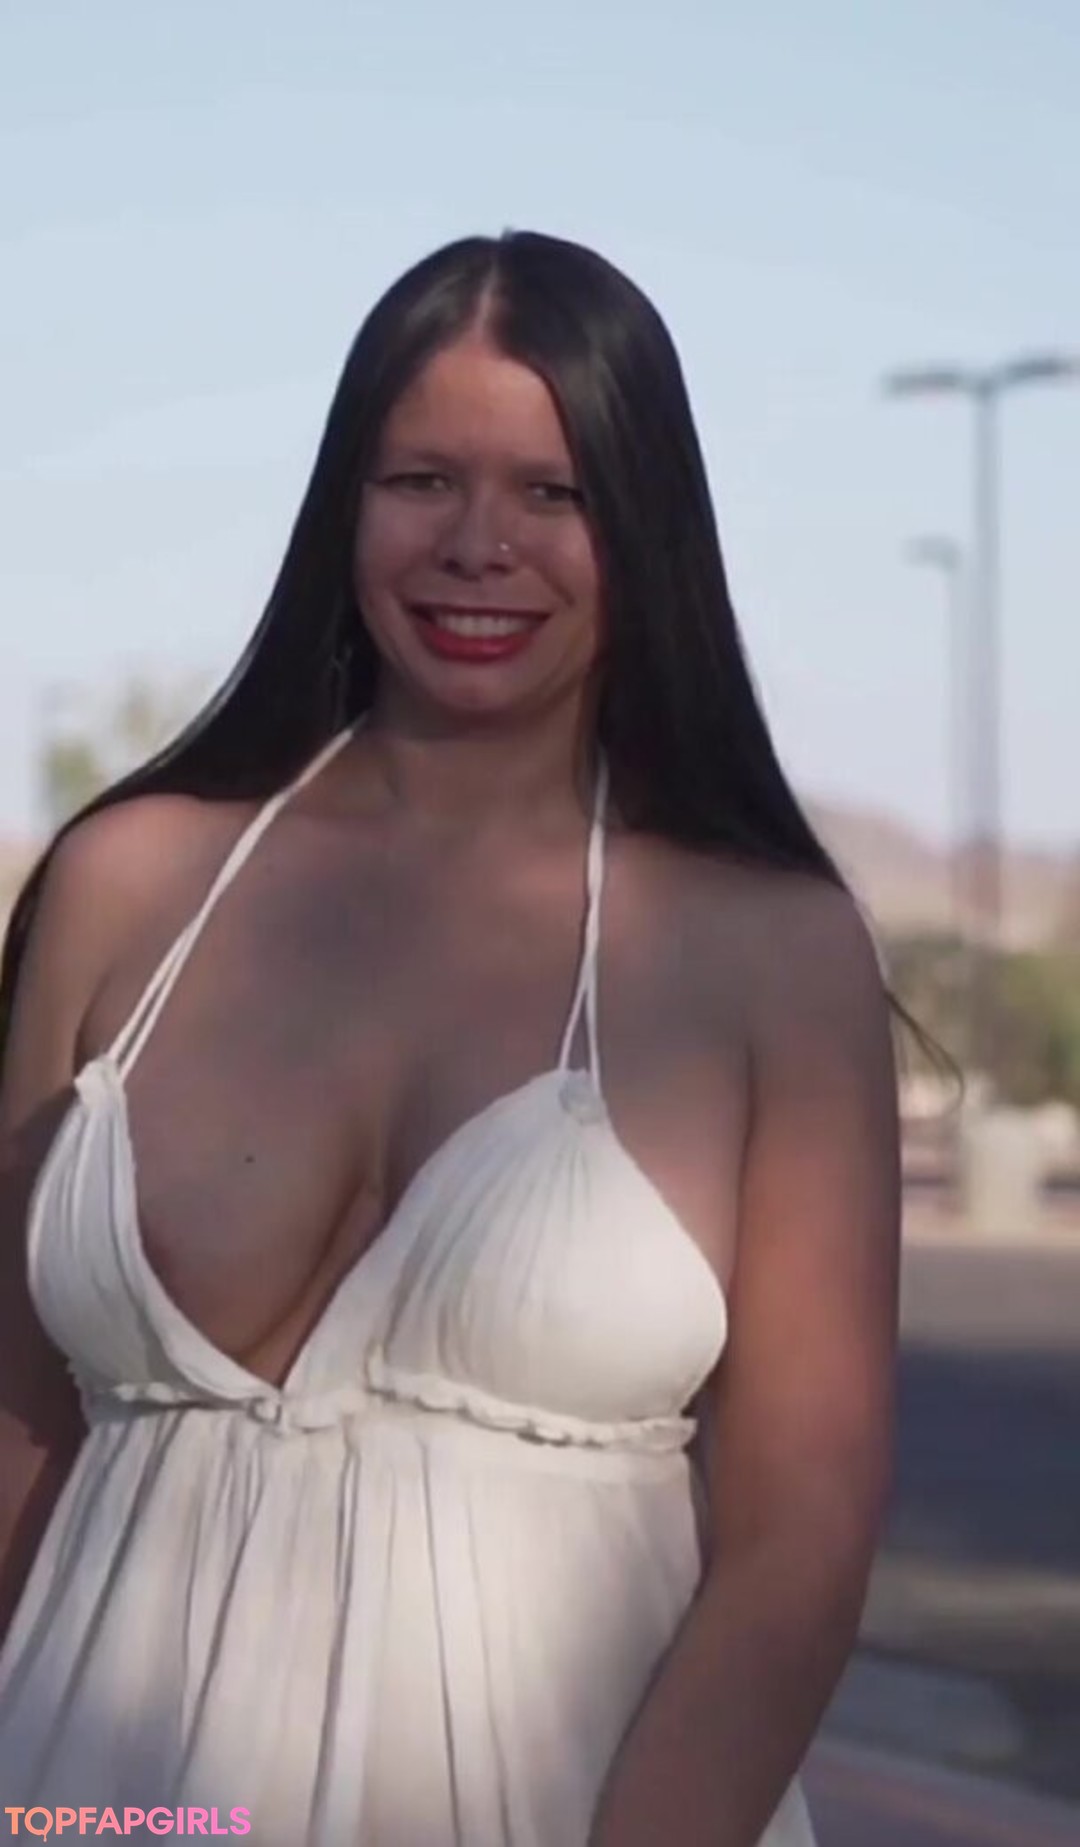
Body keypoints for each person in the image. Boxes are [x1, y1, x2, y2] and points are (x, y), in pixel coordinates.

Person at [0, 230, 901, 1846]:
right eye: (422, 480)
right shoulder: (122, 884)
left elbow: (801, 1542)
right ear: (343, 505)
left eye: (555, 492)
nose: (480, 546)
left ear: (644, 527)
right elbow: (13, 1426)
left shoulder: (772, 951)